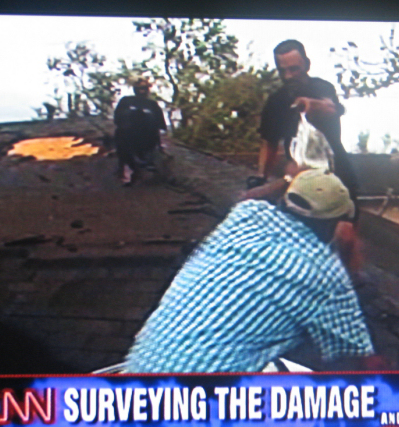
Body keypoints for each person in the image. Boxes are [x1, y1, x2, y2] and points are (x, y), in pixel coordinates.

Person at [125, 169, 380, 373]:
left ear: (284, 201)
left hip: (137, 376)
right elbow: (356, 358)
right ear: (334, 224)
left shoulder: (246, 216)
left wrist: (288, 178)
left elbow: (250, 197)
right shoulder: (325, 273)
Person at [249, 40, 359, 204]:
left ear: (306, 65)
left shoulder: (322, 87)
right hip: (301, 180)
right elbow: (269, 142)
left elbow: (330, 108)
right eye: (283, 71)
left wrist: (309, 105)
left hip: (336, 174)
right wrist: (261, 177)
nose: (288, 76)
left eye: (294, 69)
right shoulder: (276, 101)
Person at [113, 77, 167, 185]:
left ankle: (150, 165)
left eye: (144, 88)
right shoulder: (126, 101)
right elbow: (117, 119)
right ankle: (126, 170)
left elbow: (161, 125)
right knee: (121, 141)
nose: (142, 91)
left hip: (148, 138)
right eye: (139, 88)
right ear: (135, 89)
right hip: (128, 137)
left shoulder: (152, 104)